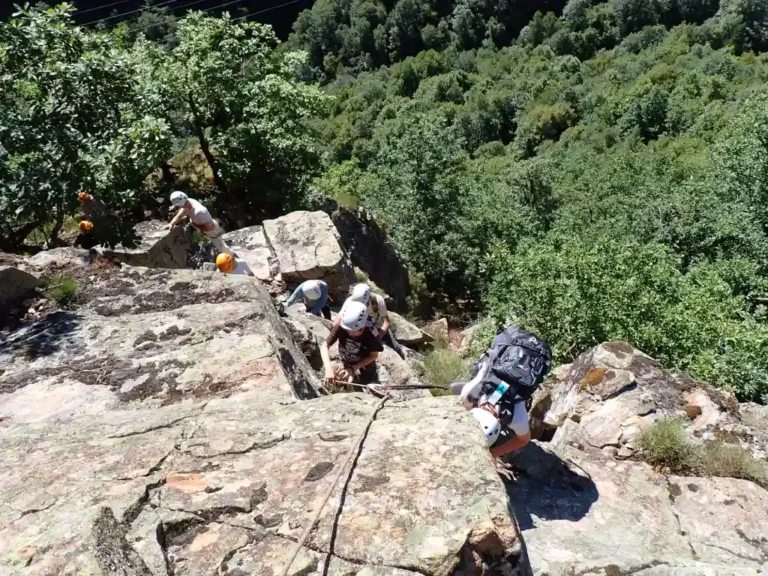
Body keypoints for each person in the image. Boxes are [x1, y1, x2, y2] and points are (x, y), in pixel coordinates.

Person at [451, 356, 532, 459]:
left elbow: (524, 439)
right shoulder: (468, 395)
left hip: (519, 372)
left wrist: (493, 453)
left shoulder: (517, 418)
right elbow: (523, 440)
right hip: (500, 363)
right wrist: (495, 453)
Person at [321, 301, 383, 385]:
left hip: (365, 363)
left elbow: (373, 355)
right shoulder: (342, 326)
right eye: (347, 331)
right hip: (346, 359)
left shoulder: (371, 334)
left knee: (367, 382)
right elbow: (325, 346)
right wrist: (328, 367)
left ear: (362, 327)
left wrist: (354, 368)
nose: (349, 334)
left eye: (353, 332)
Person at [339, 283, 405, 358]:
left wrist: (378, 338)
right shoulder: (350, 301)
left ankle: (400, 353)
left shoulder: (377, 300)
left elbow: (386, 322)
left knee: (394, 345)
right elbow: (339, 318)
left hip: (378, 327)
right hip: (360, 328)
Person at [168, 191, 233, 256]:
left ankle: (231, 257)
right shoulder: (187, 202)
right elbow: (179, 216)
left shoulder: (200, 212)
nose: (179, 208)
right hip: (203, 226)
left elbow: (209, 228)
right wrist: (171, 223)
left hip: (212, 230)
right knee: (214, 245)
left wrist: (196, 226)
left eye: (179, 206)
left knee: (221, 247)